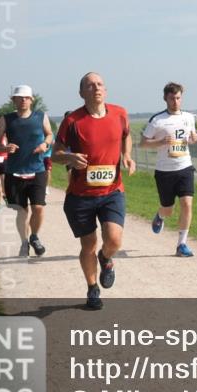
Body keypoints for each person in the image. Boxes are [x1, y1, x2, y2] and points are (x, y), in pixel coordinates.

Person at [52, 72, 135, 310]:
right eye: (90, 85)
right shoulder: (73, 121)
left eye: (99, 84)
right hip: (80, 196)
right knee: (88, 244)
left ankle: (106, 259)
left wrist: (126, 154)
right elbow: (55, 154)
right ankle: (92, 289)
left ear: (105, 90)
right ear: (81, 93)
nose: (96, 88)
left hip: (112, 192)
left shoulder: (120, 113)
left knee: (114, 239)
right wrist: (67, 156)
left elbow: (126, 136)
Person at [140, 82, 197, 257]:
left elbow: (192, 137)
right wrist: (160, 142)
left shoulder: (189, 117)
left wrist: (194, 138)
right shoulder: (157, 120)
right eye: (172, 98)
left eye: (178, 98)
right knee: (168, 208)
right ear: (165, 98)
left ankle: (181, 244)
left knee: (187, 204)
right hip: (164, 171)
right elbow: (143, 143)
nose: (175, 101)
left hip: (185, 167)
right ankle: (160, 215)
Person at [0, 86, 53, 257]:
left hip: (37, 169)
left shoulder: (41, 117)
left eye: (26, 97)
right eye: (19, 98)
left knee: (39, 207)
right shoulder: (6, 119)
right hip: (15, 171)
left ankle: (34, 236)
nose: (23, 100)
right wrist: (5, 147)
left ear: (31, 99)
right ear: (14, 100)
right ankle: (24, 242)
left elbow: (49, 134)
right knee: (22, 210)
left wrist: (45, 144)